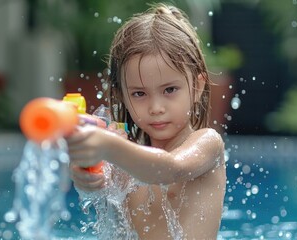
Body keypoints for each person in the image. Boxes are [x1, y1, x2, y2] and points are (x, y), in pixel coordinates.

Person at [66, 3, 226, 240]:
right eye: (139, 94)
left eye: (170, 89)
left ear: (197, 87)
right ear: (122, 96)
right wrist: (86, 173)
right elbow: (96, 186)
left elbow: (171, 168)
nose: (156, 108)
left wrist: (109, 147)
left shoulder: (207, 144)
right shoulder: (125, 157)